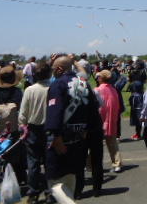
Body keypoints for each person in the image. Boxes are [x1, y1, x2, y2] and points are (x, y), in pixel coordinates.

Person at [45, 56, 100, 201]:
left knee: (56, 184)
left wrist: (56, 138)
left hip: (61, 141)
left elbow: (54, 113)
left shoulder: (58, 84)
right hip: (80, 140)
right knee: (72, 180)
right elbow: (93, 111)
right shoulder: (83, 83)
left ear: (59, 69)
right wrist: (86, 131)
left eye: (53, 69)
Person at [19, 61, 51, 203]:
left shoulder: (29, 90)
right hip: (49, 128)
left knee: (33, 162)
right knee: (49, 162)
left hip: (33, 129)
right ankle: (50, 191)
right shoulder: (53, 88)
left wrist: (22, 125)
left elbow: (23, 113)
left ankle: (33, 192)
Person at [95, 69, 124, 172]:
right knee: (112, 143)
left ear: (101, 78)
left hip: (100, 120)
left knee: (95, 145)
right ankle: (117, 163)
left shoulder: (97, 90)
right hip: (112, 119)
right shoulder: (114, 90)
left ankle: (91, 164)